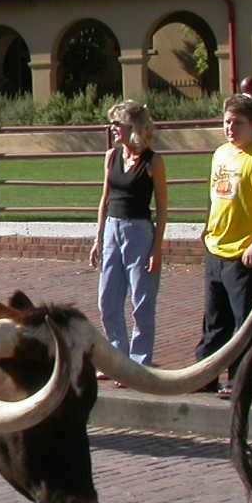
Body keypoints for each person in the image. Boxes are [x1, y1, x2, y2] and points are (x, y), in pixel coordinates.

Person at [198, 92, 252, 397]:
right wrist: (207, 228)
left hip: (246, 257)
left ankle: (245, 378)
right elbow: (215, 198)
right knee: (215, 321)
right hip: (216, 250)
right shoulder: (220, 154)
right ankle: (205, 374)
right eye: (226, 122)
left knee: (247, 323)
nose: (230, 128)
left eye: (238, 123)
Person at [88, 100, 167, 366]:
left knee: (141, 301)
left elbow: (163, 208)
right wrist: (98, 238)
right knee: (107, 299)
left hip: (139, 232)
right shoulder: (111, 156)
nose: (112, 128)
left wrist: (156, 249)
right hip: (113, 228)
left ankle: (139, 362)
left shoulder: (153, 161)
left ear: (132, 127)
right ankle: (117, 358)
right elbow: (104, 199)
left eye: (117, 123)